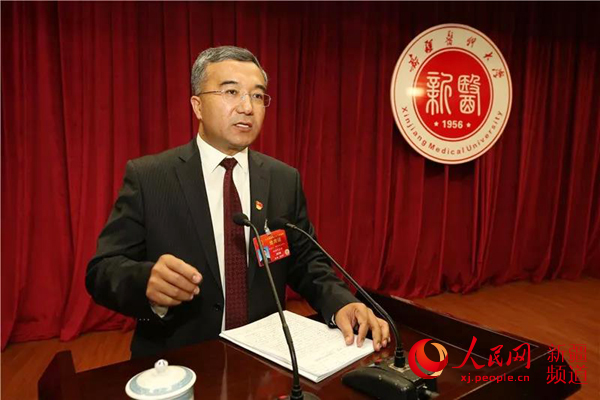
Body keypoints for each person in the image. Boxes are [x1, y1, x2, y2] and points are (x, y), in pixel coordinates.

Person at [86, 46, 389, 358]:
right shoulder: (150, 177)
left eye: (257, 95)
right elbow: (102, 270)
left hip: (264, 359)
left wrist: (341, 303)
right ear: (197, 106)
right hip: (179, 358)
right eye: (231, 92)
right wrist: (146, 283)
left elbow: (306, 262)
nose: (247, 107)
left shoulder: (283, 179)